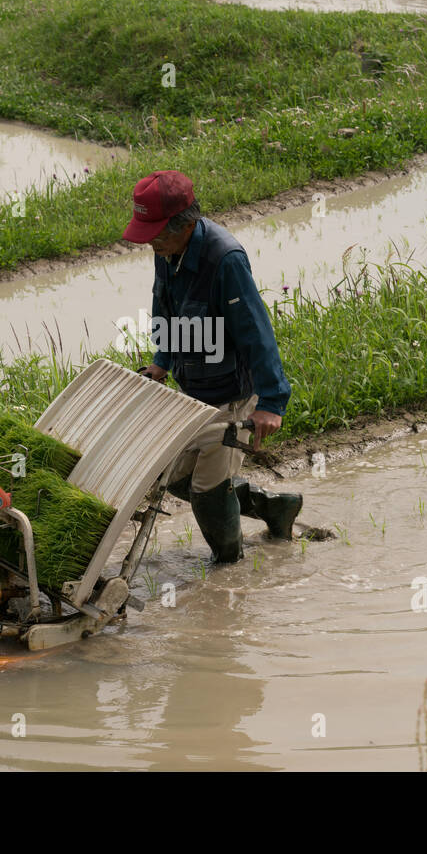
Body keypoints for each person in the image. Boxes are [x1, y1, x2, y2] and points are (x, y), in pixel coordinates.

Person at [122, 169, 304, 564]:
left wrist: (271, 401)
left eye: (156, 232)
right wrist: (161, 361)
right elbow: (165, 309)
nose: (150, 241)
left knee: (206, 489)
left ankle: (228, 568)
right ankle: (274, 508)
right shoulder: (167, 252)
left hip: (233, 394)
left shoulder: (225, 260)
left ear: (183, 224)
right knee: (177, 477)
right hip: (195, 390)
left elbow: (256, 331)